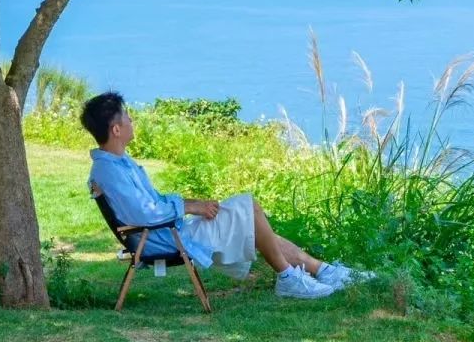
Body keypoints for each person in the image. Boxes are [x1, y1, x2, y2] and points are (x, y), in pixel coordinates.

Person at [81, 91, 373, 301]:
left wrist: (191, 205)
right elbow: (146, 214)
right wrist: (190, 206)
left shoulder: (119, 163)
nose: (132, 119)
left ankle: (323, 270)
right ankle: (288, 277)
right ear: (116, 129)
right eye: (127, 117)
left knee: (253, 222)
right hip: (166, 237)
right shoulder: (110, 171)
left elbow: (151, 203)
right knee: (250, 208)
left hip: (168, 230)